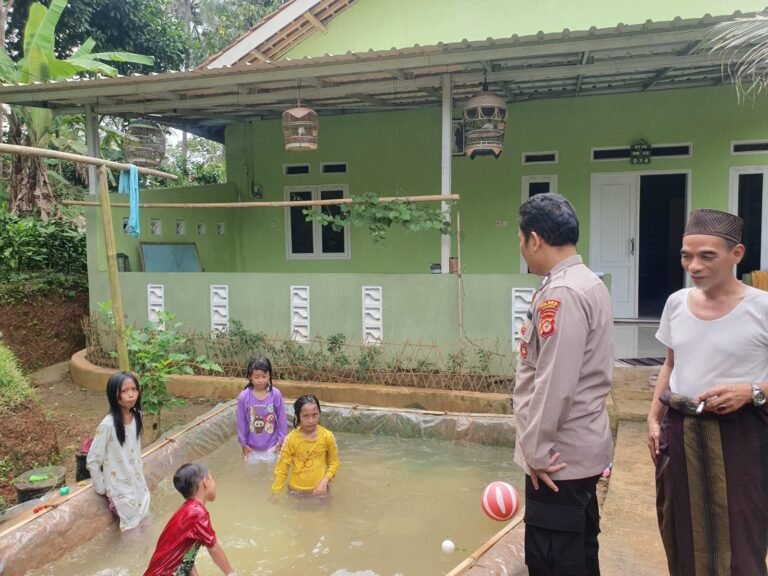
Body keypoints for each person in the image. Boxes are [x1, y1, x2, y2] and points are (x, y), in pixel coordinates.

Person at [647, 208, 768, 576]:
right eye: (687, 255)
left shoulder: (761, 307)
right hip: (682, 434)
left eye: (706, 256)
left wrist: (752, 391)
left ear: (737, 254)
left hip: (742, 436)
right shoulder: (676, 304)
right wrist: (653, 419)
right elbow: (671, 363)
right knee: (681, 531)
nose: (694, 266)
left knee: (741, 534)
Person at [513, 193, 614, 576]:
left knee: (554, 560)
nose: (522, 251)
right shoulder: (586, 282)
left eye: (521, 241)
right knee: (580, 552)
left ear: (534, 239)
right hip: (578, 450)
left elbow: (556, 382)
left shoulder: (562, 293)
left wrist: (536, 450)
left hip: (556, 460)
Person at [144, 463, 234, 576]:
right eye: (212, 478)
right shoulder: (197, 513)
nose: (214, 483)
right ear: (206, 481)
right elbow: (214, 549)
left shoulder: (187, 511)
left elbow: (186, 556)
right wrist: (231, 573)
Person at [87, 371, 150, 531]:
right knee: (131, 533)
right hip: (120, 489)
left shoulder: (137, 416)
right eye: (124, 391)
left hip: (139, 484)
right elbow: (93, 460)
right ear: (113, 395)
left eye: (134, 389)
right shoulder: (108, 425)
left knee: (146, 524)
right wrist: (101, 488)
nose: (131, 395)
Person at [272, 395, 340, 495]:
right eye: (306, 416)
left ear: (319, 414)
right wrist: (275, 492)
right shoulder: (291, 439)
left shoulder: (327, 436)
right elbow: (282, 469)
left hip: (320, 490)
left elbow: (334, 463)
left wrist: (325, 481)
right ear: (297, 417)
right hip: (296, 492)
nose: (311, 420)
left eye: (315, 415)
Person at [236, 357, 287, 462]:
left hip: (273, 446)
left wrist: (281, 441)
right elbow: (241, 422)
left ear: (270, 375)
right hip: (251, 448)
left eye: (264, 376)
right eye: (256, 377)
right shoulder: (244, 397)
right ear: (250, 377)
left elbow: (282, 419)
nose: (260, 380)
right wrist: (243, 444)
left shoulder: (275, 394)